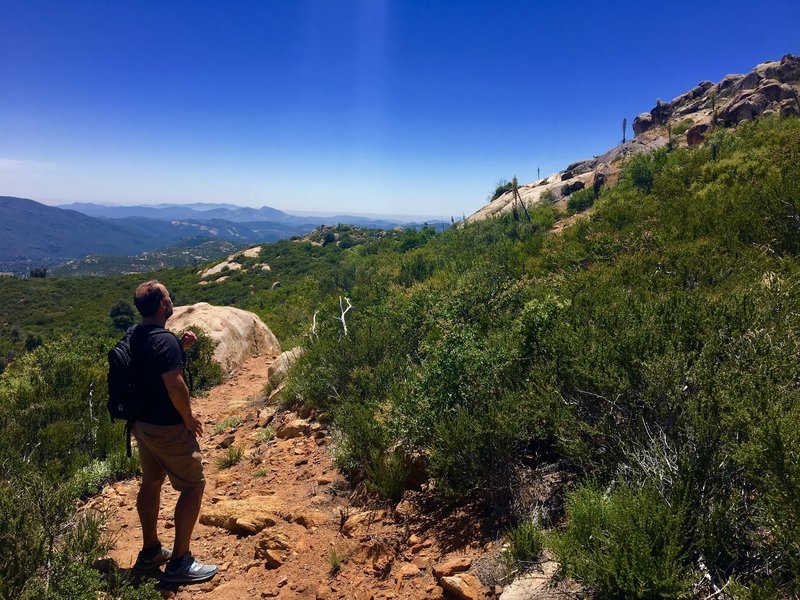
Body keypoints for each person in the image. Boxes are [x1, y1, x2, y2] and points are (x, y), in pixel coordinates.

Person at [129, 280, 217, 584]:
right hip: (167, 427)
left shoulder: (135, 334)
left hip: (141, 425)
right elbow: (174, 385)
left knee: (152, 482)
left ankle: (151, 550)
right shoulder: (163, 340)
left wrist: (179, 347)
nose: (171, 300)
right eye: (168, 297)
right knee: (193, 485)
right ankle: (180, 562)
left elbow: (150, 367)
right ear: (163, 305)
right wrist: (189, 419)